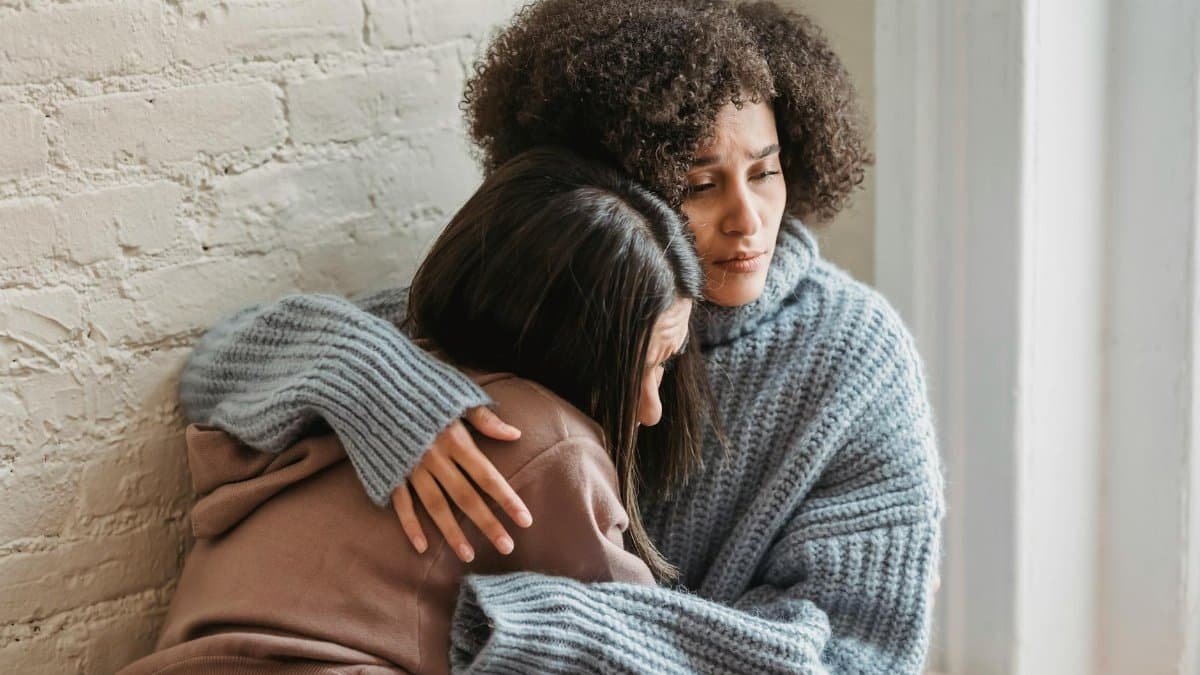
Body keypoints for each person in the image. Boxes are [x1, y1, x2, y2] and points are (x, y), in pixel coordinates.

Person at [179, 0, 946, 672]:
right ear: (614, 183)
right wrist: (383, 390)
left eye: (767, 173)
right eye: (700, 184)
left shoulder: (857, 360)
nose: (748, 220)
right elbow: (219, 367)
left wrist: (556, 628)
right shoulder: (564, 292)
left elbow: (856, 656)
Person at [121, 148, 709, 674]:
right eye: (650, 365)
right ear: (572, 344)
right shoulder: (550, 440)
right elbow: (635, 649)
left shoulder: (392, 349)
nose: (652, 410)